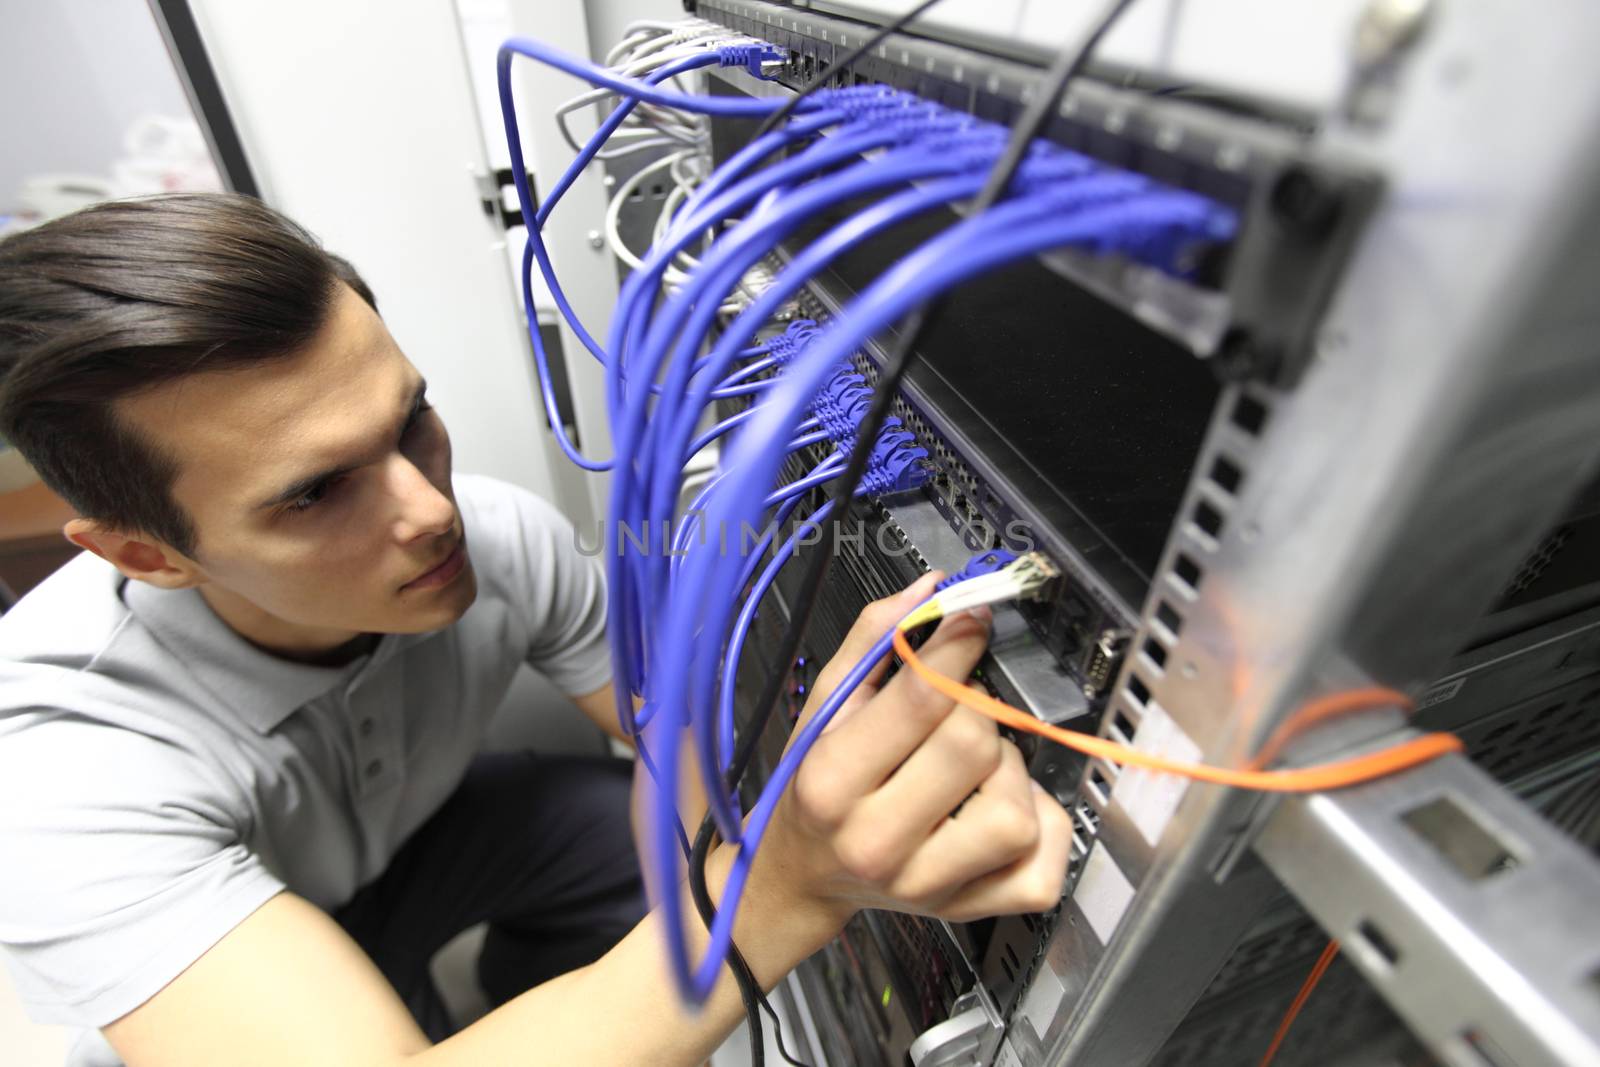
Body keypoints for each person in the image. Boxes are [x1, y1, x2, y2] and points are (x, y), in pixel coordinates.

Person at [0, 193, 1069, 1067]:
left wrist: (740, 863)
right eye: (317, 492)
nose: (429, 510)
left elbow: (664, 732)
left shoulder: (492, 538)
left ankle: (542, 997)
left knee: (619, 829)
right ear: (148, 554)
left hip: (422, 841)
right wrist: (782, 892)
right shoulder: (55, 773)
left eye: (409, 420)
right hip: (220, 927)